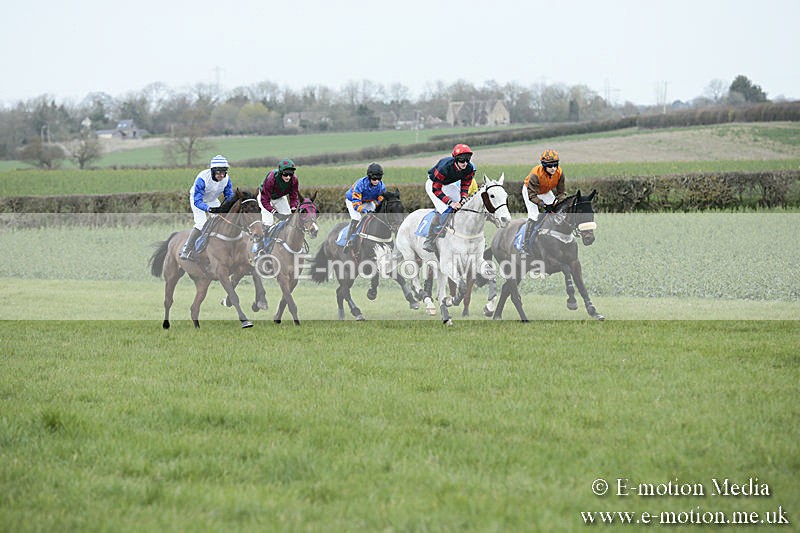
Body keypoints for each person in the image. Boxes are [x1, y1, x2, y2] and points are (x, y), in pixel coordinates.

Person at [422, 143, 475, 253]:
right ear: (455, 160)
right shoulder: (444, 166)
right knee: (444, 210)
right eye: (462, 160)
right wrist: (451, 203)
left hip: (447, 184)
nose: (465, 163)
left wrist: (464, 197)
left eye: (467, 160)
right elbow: (436, 189)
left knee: (464, 206)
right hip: (433, 184)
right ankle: (430, 239)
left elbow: (465, 185)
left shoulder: (469, 168)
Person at [180, 155, 234, 261]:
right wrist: (208, 209)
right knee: (201, 223)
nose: (221, 175)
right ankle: (186, 250)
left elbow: (229, 196)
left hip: (212, 200)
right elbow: (197, 201)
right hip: (198, 201)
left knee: (222, 220)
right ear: (213, 171)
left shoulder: (226, 179)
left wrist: (227, 208)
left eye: (223, 172)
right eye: (218, 172)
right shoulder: (203, 178)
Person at [521, 148, 566, 255]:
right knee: (534, 215)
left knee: (557, 211)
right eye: (550, 166)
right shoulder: (535, 174)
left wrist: (559, 203)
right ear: (544, 165)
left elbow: (561, 192)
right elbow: (532, 196)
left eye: (555, 165)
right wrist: (544, 205)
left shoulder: (559, 172)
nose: (553, 168)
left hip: (545, 191)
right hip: (530, 191)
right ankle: (525, 245)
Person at [255, 158, 300, 256]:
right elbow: (265, 200)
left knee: (289, 219)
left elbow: (293, 197)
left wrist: (293, 209)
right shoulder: (271, 178)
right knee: (268, 223)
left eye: (290, 174)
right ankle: (260, 247)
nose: (288, 177)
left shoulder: (294, 180)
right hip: (265, 198)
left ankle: (287, 243)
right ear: (280, 172)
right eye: (285, 174)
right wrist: (274, 212)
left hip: (279, 197)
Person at [344, 162, 386, 252]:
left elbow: (380, 201)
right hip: (352, 201)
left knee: (376, 215)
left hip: (367, 201)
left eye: (379, 178)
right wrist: (365, 211)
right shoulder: (360, 184)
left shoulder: (381, 186)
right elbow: (356, 205)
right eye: (374, 178)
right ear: (369, 176)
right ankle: (349, 240)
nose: (377, 181)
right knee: (357, 218)